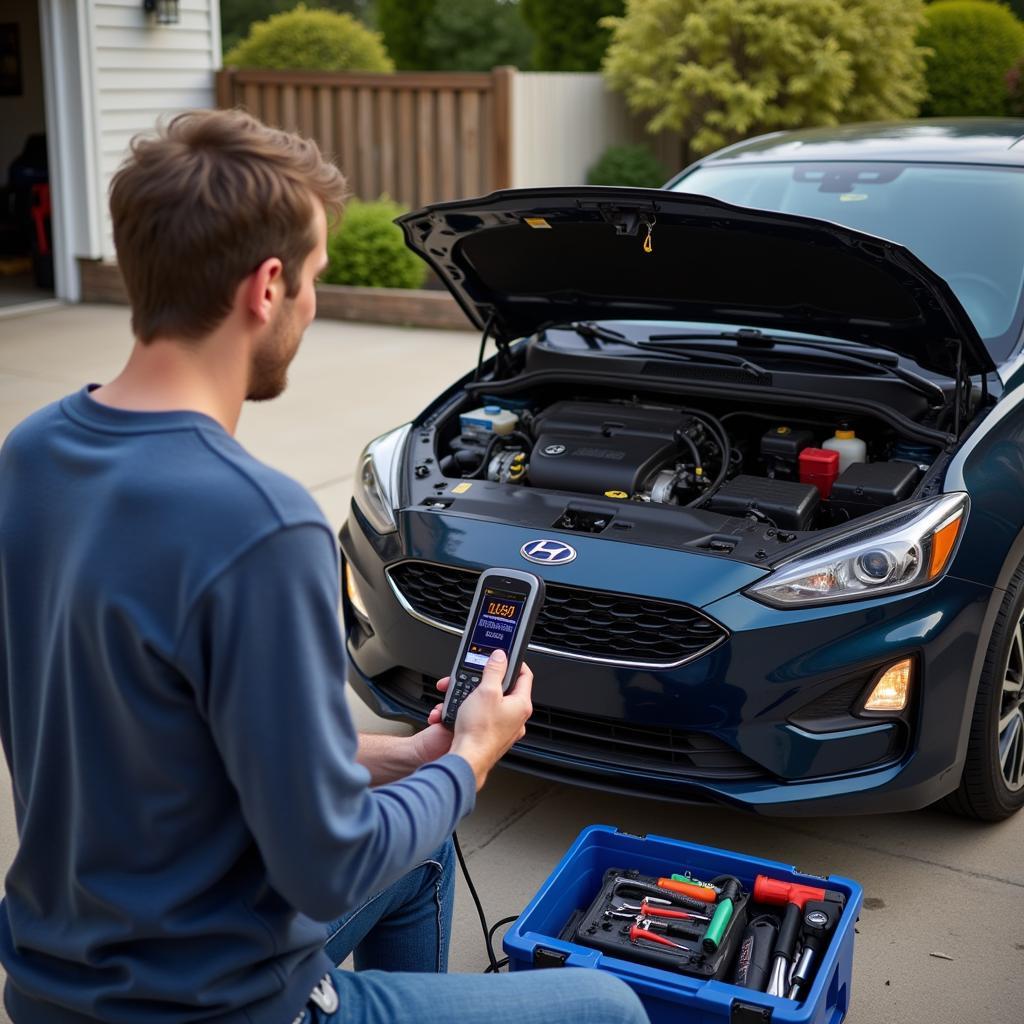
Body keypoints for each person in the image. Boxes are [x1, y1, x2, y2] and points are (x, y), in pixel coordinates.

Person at [0, 110, 648, 1024]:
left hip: (53, 986)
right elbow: (328, 861)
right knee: (608, 1003)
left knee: (419, 850)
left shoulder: (30, 456)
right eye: (313, 280)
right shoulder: (258, 525)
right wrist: (469, 758)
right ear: (267, 288)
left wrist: (410, 754)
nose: (311, 302)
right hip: (211, 1006)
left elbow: (163, 738)